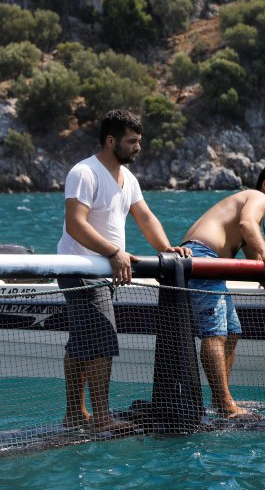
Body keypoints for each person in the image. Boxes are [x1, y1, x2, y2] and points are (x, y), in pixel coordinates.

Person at [57, 109, 191, 434]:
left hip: (104, 269)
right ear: (111, 140)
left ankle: (75, 414)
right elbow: (76, 225)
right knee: (102, 340)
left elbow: (145, 217)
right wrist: (115, 252)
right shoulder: (84, 172)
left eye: (139, 141)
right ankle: (101, 418)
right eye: (132, 141)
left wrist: (167, 249)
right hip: (81, 268)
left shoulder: (127, 178)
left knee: (80, 343)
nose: (138, 147)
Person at [181, 158, 265, 418]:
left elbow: (247, 245)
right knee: (215, 335)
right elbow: (247, 226)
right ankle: (224, 404)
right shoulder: (258, 197)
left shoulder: (251, 203)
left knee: (232, 331)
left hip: (212, 263)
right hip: (202, 258)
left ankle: (224, 399)